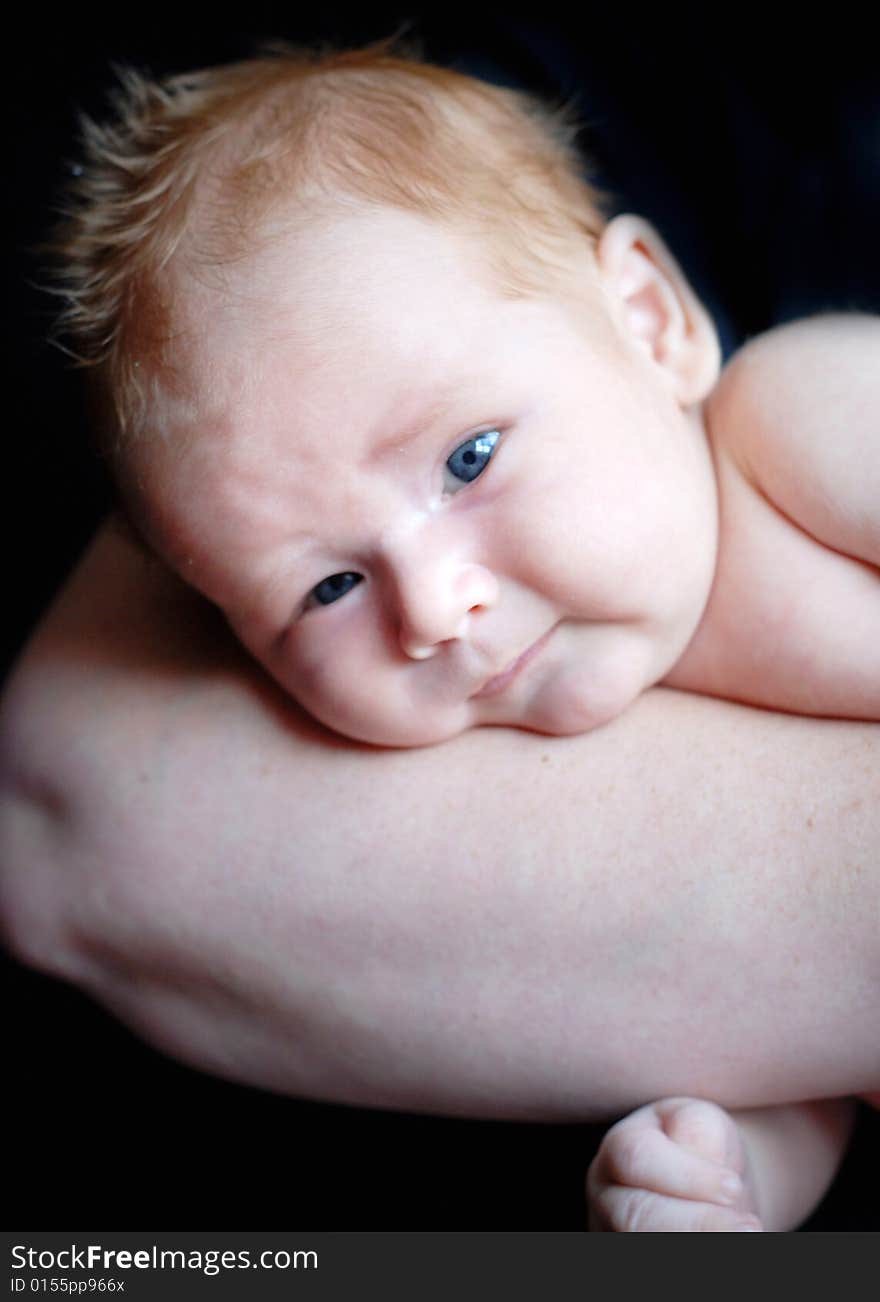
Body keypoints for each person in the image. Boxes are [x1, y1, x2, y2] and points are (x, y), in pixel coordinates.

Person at [5, 40, 878, 1230]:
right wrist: (726, 1180)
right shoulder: (569, 792)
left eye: (468, 459)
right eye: (323, 590)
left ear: (650, 319)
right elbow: (799, 1063)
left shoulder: (796, 433)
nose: (428, 610)